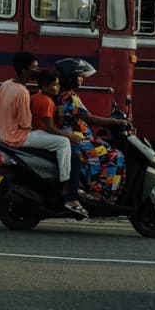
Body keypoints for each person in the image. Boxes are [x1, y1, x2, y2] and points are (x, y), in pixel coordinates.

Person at [0, 51, 84, 217]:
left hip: (4, 135)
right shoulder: (23, 92)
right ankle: (66, 184)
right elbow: (25, 123)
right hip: (20, 136)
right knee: (63, 143)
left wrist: (8, 113)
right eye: (34, 68)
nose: (37, 71)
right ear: (24, 71)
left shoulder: (6, 84)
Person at [55, 58, 127, 202]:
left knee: (105, 149)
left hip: (76, 137)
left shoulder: (63, 95)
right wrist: (116, 122)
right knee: (115, 155)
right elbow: (90, 119)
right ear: (71, 78)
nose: (82, 79)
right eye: (79, 76)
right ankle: (97, 192)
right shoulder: (69, 98)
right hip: (77, 139)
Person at [30, 69, 88, 217]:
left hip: (39, 133)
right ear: (45, 87)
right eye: (54, 85)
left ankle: (74, 188)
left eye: (58, 84)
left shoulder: (38, 97)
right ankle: (69, 190)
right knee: (74, 154)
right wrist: (70, 136)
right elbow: (50, 128)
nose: (57, 87)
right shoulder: (48, 102)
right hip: (44, 134)